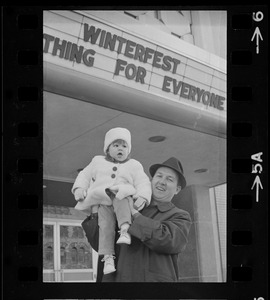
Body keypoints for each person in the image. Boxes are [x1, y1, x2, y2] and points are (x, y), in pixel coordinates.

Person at [94, 156, 192, 282]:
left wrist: (134, 214)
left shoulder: (180, 215)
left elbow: (167, 239)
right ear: (151, 180)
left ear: (177, 189)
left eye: (169, 179)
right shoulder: (125, 205)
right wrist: (94, 213)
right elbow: (100, 243)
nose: (162, 181)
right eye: (159, 176)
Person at [71, 127, 152, 275]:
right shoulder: (97, 161)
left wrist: (143, 196)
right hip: (103, 200)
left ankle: (125, 230)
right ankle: (108, 257)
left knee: (121, 198)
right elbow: (84, 175)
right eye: (116, 145)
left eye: (124, 146)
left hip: (123, 196)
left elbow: (143, 182)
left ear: (129, 150)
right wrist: (79, 188)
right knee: (105, 226)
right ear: (107, 149)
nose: (120, 148)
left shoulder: (134, 165)